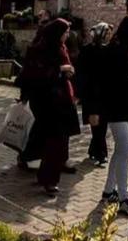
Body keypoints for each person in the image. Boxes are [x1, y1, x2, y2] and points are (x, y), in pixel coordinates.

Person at [16, 18, 80, 196]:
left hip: (61, 99)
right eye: (65, 32)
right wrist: (61, 69)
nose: (67, 35)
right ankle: (49, 179)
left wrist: (68, 72)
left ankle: (41, 171)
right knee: (54, 141)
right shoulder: (40, 49)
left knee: (49, 139)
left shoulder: (61, 47)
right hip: (46, 100)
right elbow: (37, 73)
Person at [99, 15, 128, 214]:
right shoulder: (114, 49)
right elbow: (108, 79)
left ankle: (109, 191)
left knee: (120, 150)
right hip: (115, 105)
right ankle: (124, 196)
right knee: (126, 148)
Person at [77, 22, 112, 167]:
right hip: (92, 93)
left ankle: (94, 150)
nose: (109, 36)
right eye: (107, 33)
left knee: (101, 124)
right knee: (96, 124)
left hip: (104, 93)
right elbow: (81, 72)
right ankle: (101, 153)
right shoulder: (88, 50)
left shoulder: (109, 50)